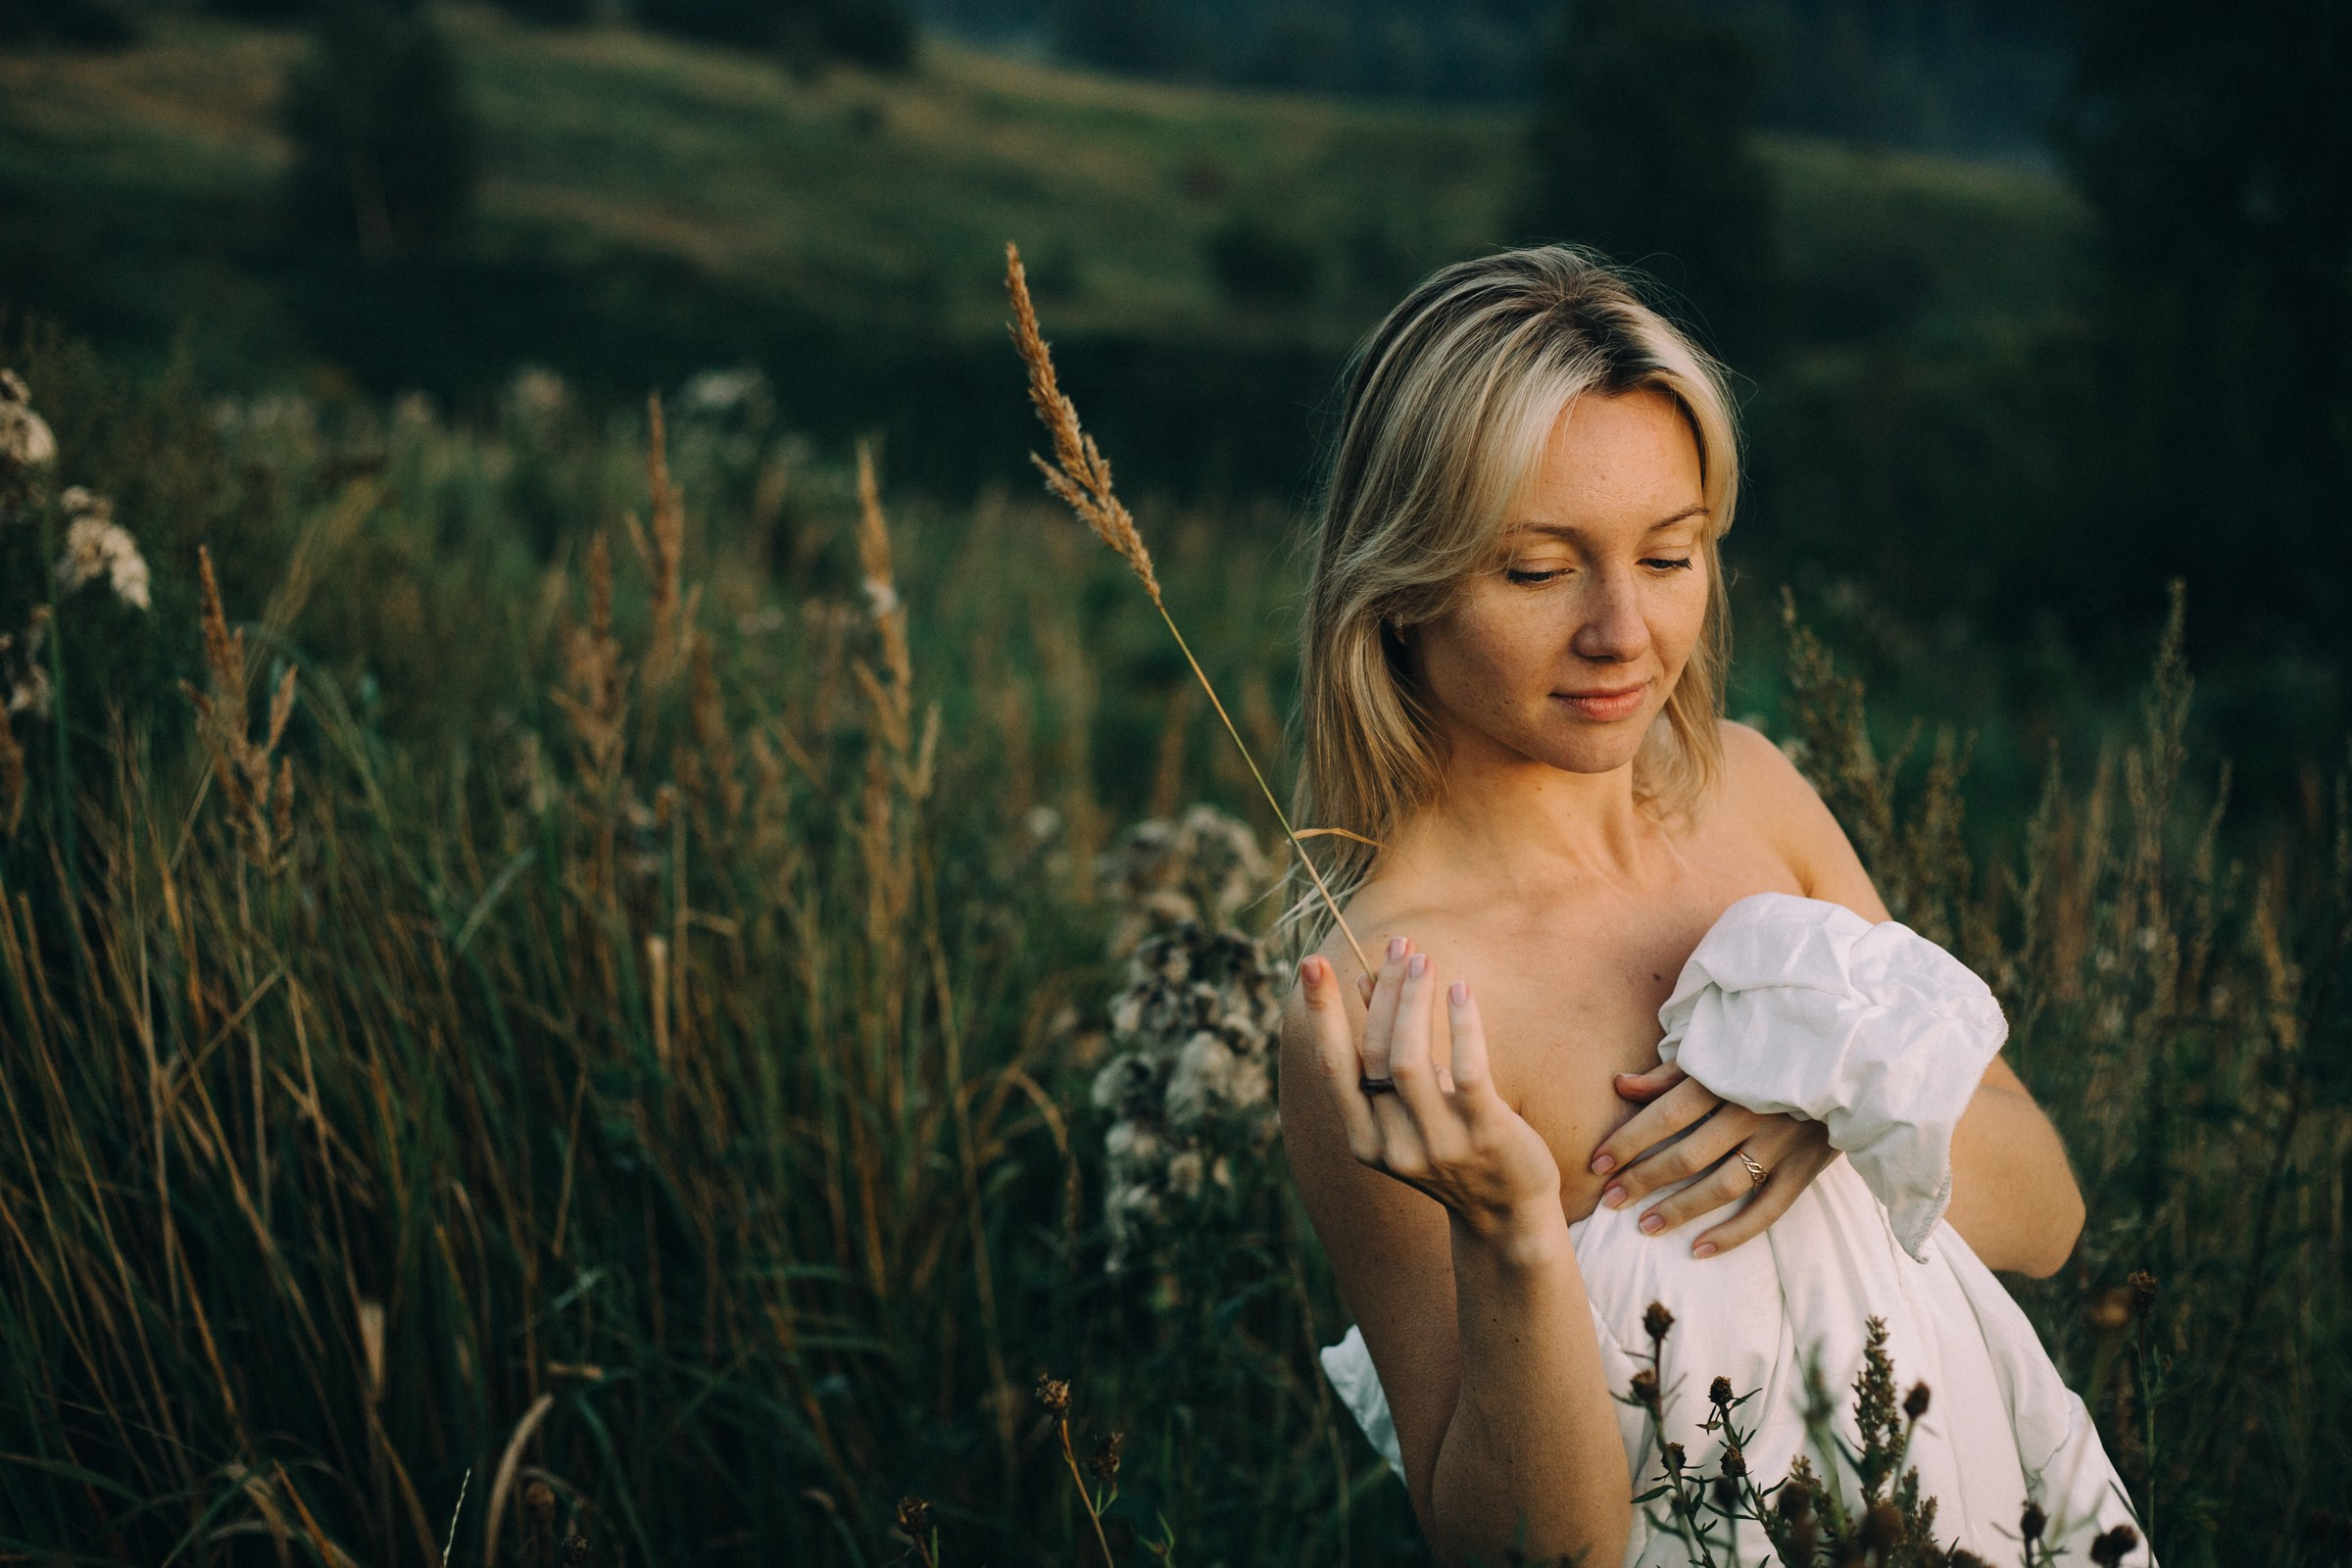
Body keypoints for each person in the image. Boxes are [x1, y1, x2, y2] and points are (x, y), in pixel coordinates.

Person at [1274, 246, 2149, 1567]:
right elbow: (1525, 1550)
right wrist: (1512, 1233)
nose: (1623, 630)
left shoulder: (1756, 796)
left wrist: (1830, 1093)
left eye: (1670, 554)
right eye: (1536, 568)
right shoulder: (1384, 1003)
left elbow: (2045, 1216)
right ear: (1402, 587)